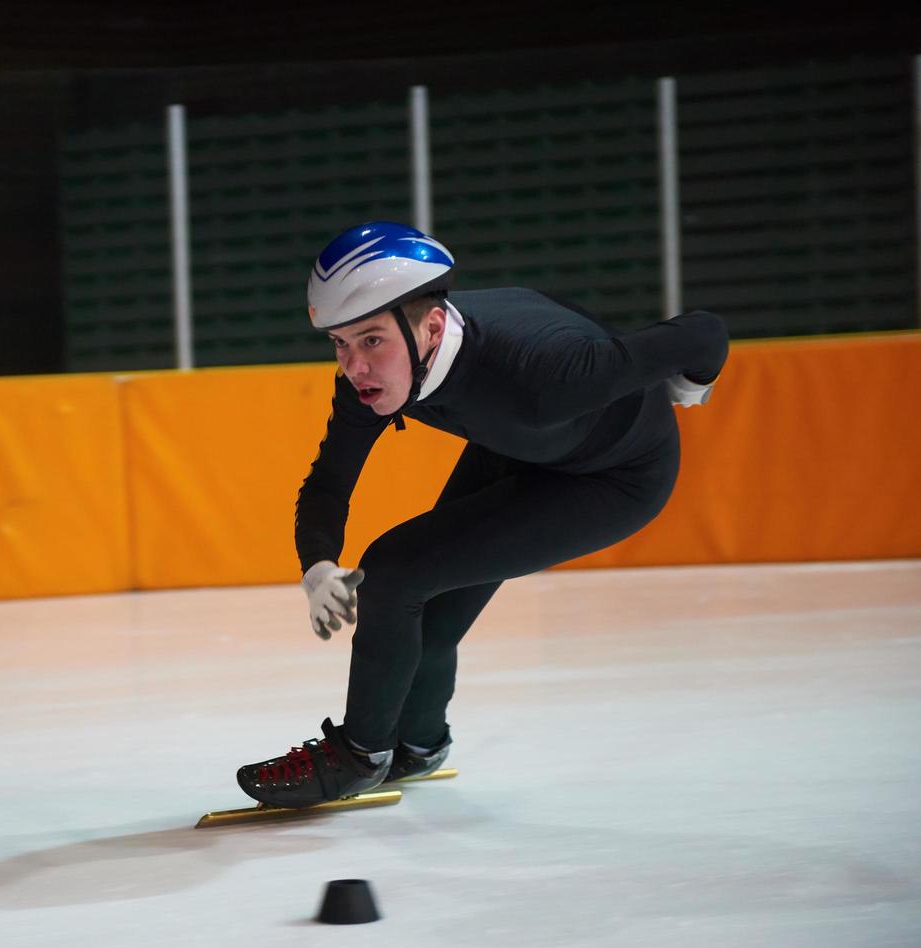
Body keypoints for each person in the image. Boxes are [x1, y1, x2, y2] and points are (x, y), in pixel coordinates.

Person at [236, 221, 728, 809]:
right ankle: (418, 745)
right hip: (520, 446)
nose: (354, 367)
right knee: (431, 608)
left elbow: (705, 332)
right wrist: (317, 564)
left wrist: (690, 383)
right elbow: (329, 481)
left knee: (393, 569)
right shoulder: (370, 377)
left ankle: (358, 756)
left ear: (432, 327)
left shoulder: (546, 373)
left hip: (618, 478)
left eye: (370, 341)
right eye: (340, 343)